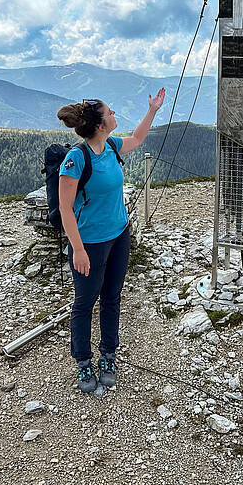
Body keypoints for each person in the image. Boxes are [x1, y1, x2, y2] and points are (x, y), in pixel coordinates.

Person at [57, 89, 165, 392]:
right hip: (89, 243)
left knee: (112, 297)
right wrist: (77, 249)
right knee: (84, 302)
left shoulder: (112, 146)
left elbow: (138, 139)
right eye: (111, 112)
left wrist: (152, 110)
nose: (115, 114)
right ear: (101, 124)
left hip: (119, 235)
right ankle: (82, 362)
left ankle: (108, 354)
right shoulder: (76, 159)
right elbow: (65, 208)